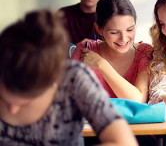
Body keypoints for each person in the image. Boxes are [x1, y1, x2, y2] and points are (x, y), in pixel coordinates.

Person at [0, 10, 138, 145]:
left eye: (26, 101)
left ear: (54, 79)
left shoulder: (73, 78)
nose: (13, 109)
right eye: (3, 98)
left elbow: (124, 141)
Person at [71, 0, 153, 103]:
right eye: (114, 32)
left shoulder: (145, 52)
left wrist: (102, 65)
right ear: (99, 29)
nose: (123, 39)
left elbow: (138, 101)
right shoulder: (84, 50)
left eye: (130, 30)